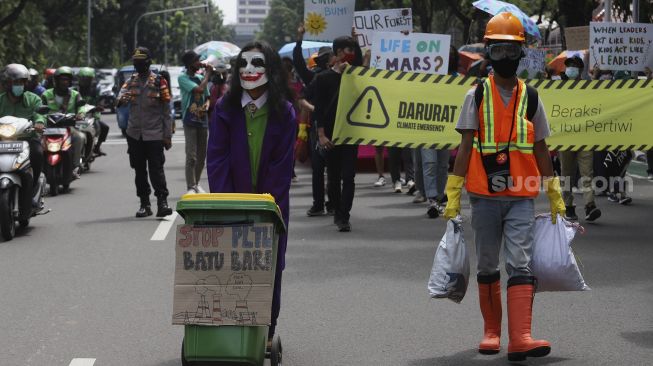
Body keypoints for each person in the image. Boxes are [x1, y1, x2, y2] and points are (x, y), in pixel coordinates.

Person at [443, 12, 565, 361]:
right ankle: (492, 332)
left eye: (513, 53)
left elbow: (541, 147)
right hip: (483, 196)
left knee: (521, 263)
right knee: (486, 264)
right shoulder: (475, 96)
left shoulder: (532, 98)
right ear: (488, 54)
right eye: (499, 52)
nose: (506, 60)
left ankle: (521, 337)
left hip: (522, 197)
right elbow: (465, 147)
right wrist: (453, 194)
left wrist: (554, 190)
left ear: (522, 55)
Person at [207, 41, 296, 345]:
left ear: (270, 69)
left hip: (270, 207)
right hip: (230, 204)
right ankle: (226, 331)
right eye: (243, 64)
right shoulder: (225, 108)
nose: (249, 70)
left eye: (257, 63)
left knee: (269, 267)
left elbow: (282, 166)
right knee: (229, 267)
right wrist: (228, 203)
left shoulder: (284, 112)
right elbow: (216, 158)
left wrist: (264, 209)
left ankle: (265, 333)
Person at [117, 47, 174, 218]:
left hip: (155, 134)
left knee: (156, 169)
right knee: (139, 170)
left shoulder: (159, 81)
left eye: (141, 61)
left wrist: (167, 135)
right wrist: (121, 100)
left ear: (148, 62)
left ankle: (162, 203)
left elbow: (166, 110)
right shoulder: (130, 81)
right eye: (136, 61)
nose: (138, 64)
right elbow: (119, 100)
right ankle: (144, 204)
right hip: (135, 134)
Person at [314, 35, 362, 232]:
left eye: (352, 50)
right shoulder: (322, 78)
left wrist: (357, 41)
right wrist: (321, 135)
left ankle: (344, 216)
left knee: (349, 176)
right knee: (333, 177)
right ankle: (335, 208)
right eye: (347, 50)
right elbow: (319, 109)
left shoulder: (357, 76)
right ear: (339, 53)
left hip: (350, 134)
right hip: (331, 136)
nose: (350, 54)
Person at [293, 23, 336, 216]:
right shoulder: (314, 78)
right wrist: (299, 40)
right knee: (318, 168)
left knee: (335, 169)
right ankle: (318, 203)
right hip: (317, 129)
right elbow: (299, 64)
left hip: (337, 128)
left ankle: (333, 203)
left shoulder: (342, 77)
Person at [558, 55, 601, 221]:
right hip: (566, 136)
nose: (571, 68)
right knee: (567, 173)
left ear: (581, 70)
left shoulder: (588, 86)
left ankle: (590, 205)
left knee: (587, 173)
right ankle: (568, 206)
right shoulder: (557, 86)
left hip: (584, 136)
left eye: (575, 65)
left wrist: (595, 76)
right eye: (569, 65)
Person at [0, 63, 46, 210]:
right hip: (2, 140)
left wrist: (39, 123)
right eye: (15, 82)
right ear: (7, 83)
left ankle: (32, 189)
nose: (19, 85)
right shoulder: (0, 100)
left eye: (21, 82)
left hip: (27, 139)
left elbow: (40, 114)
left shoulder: (33, 99)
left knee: (38, 153)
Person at [41, 66, 87, 179]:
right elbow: (39, 109)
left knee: (80, 137)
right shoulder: (46, 94)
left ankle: (76, 167)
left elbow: (81, 107)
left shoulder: (75, 94)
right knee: (36, 141)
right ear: (56, 80)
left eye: (67, 79)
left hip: (68, 127)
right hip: (48, 127)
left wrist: (80, 114)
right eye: (62, 79)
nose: (64, 82)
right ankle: (38, 168)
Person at [179, 50, 212, 194]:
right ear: (189, 64)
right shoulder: (183, 78)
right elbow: (199, 90)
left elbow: (208, 96)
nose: (199, 63)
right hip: (190, 120)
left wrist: (207, 105)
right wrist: (208, 75)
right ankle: (190, 186)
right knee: (191, 155)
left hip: (202, 120)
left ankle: (196, 183)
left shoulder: (200, 77)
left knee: (201, 156)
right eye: (196, 60)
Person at [76, 67, 110, 156]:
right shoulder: (75, 89)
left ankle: (97, 147)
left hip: (91, 115)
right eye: (83, 78)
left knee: (104, 127)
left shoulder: (96, 89)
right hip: (77, 115)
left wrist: (100, 106)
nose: (85, 81)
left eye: (87, 79)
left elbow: (100, 100)